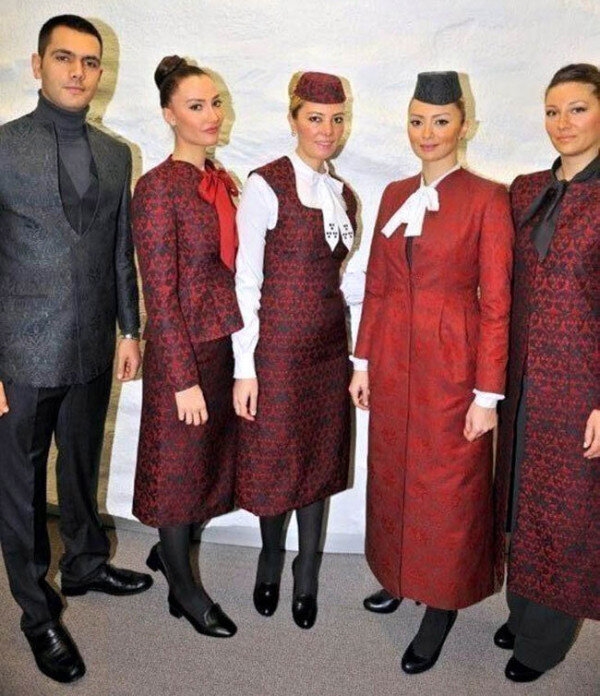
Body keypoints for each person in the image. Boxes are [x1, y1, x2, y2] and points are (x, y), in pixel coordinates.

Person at [0, 15, 151, 684]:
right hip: (20, 354)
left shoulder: (116, 154)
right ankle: (37, 614)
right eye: (64, 58)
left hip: (92, 345)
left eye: (90, 62)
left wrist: (130, 329)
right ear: (38, 66)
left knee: (83, 464)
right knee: (21, 489)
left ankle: (86, 564)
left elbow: (120, 251)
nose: (78, 72)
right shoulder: (3, 148)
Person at [349, 71, 514, 674]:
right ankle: (398, 574)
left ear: (463, 126)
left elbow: (497, 304)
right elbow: (377, 283)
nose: (428, 133)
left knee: (448, 487)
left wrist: (487, 394)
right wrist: (363, 360)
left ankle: (440, 602)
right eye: (417, 121)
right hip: (394, 358)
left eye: (440, 122)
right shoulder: (395, 194)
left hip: (453, 366)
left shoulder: (487, 199)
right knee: (393, 471)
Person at [233, 71, 358, 630]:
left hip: (329, 347)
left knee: (319, 456)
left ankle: (306, 570)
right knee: (277, 457)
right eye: (314, 118)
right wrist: (245, 366)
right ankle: (270, 558)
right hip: (279, 350)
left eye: (336, 119)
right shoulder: (267, 184)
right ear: (293, 119)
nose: (326, 130)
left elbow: (339, 278)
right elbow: (246, 280)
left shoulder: (343, 194)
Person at [493, 63, 600, 683]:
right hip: (520, 377)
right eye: (553, 111)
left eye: (578, 109)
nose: (563, 123)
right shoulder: (525, 188)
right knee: (520, 498)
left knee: (566, 509)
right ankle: (522, 609)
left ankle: (543, 642)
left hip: (581, 382)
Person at [132, 56, 242, 639]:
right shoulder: (156, 189)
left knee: (203, 466)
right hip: (183, 355)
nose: (211, 115)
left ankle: (168, 555)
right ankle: (185, 590)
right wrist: (181, 378)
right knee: (176, 475)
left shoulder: (221, 180)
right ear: (169, 115)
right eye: (196, 106)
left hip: (220, 345)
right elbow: (160, 293)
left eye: (215, 103)